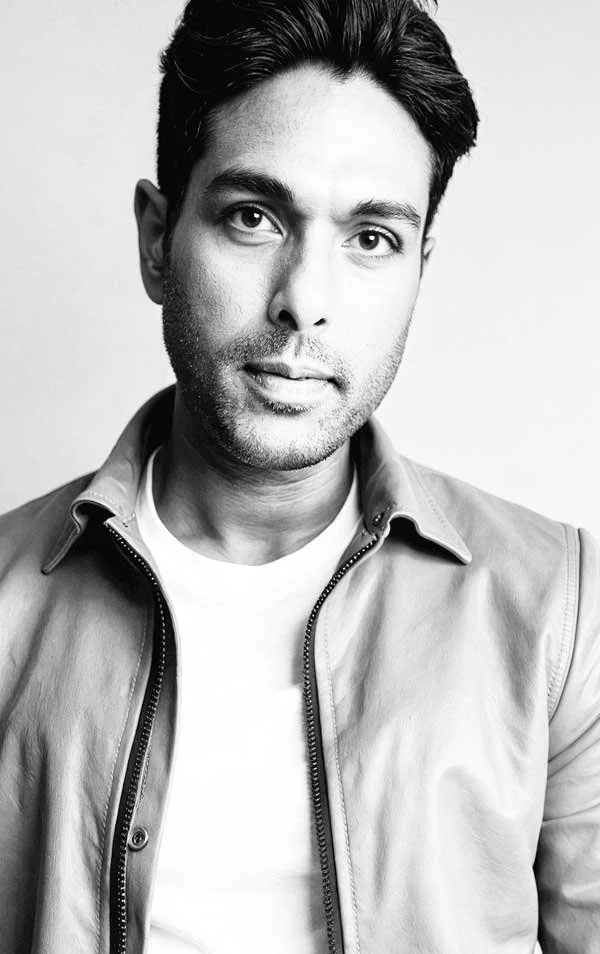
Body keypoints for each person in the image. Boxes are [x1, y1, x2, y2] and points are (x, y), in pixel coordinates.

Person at [1, 0, 598, 951]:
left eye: (371, 239)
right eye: (252, 217)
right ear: (158, 238)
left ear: (419, 269)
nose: (305, 303)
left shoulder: (561, 610)